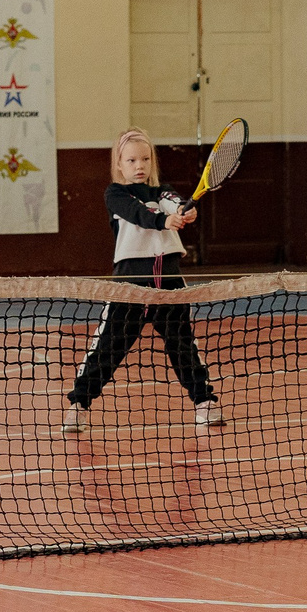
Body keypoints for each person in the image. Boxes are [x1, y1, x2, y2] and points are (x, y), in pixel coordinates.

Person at [62, 129, 223, 432]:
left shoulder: (163, 192)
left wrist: (185, 213)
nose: (139, 165)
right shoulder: (116, 194)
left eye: (145, 159)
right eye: (132, 160)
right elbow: (138, 215)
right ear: (119, 165)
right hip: (131, 283)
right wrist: (163, 220)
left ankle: (204, 402)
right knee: (109, 346)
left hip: (171, 283)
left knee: (183, 345)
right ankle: (79, 405)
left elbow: (175, 203)